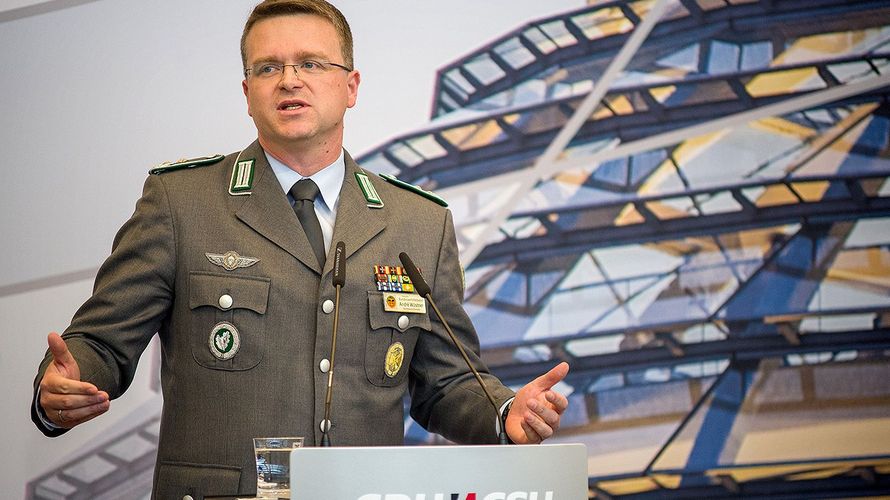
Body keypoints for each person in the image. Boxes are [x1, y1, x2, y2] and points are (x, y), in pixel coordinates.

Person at [31, 0, 569, 497]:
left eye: (312, 64)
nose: (289, 80)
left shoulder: (419, 223)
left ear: (351, 86)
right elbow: (101, 344)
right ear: (246, 93)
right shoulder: (181, 203)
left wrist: (504, 412)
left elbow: (446, 382)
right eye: (268, 68)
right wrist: (64, 387)